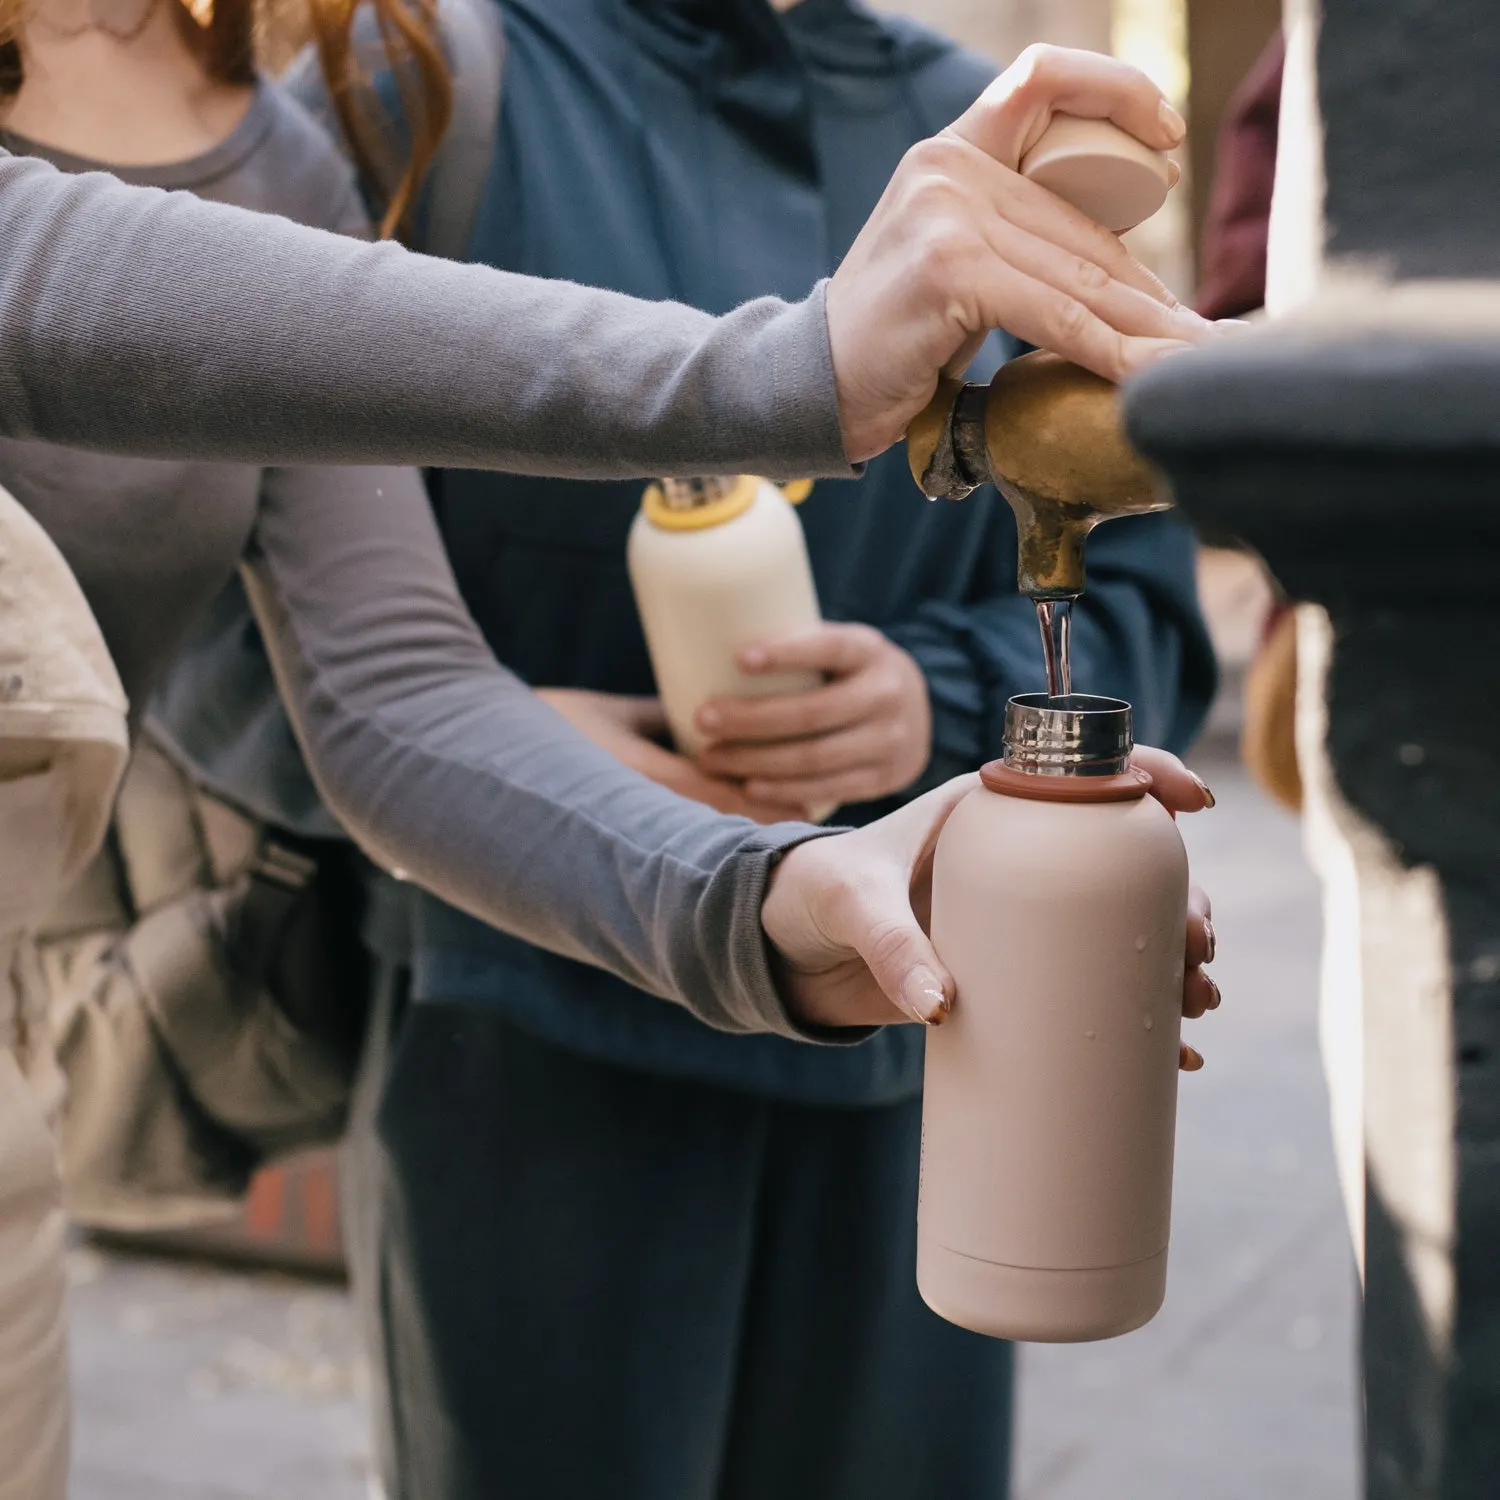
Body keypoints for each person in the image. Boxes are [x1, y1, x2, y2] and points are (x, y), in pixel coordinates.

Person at [0, 4, 1219, 1495]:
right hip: (514, 1019)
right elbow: (79, 308)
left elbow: (391, 686)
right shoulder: (421, 89)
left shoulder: (274, 113)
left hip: (888, 994)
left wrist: (785, 889)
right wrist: (787, 376)